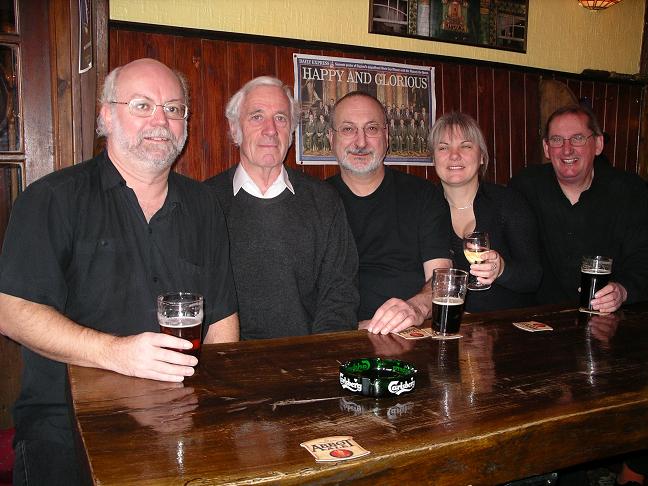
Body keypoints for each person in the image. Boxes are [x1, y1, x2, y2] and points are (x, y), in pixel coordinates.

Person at [0, 58, 239, 485]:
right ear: (105, 115)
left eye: (173, 108)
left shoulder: (204, 206)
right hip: (66, 425)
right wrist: (117, 353)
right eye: (142, 105)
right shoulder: (52, 199)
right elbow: (12, 310)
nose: (161, 120)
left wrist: (215, 409)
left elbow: (222, 320)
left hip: (181, 419)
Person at [205, 76, 358, 340]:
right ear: (234, 129)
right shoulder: (204, 201)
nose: (270, 130)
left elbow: (340, 294)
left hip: (304, 362)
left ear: (291, 132)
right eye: (256, 117)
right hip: (229, 365)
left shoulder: (324, 200)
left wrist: (316, 361)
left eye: (280, 118)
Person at [326, 91, 451, 335]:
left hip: (412, 332)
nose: (360, 142)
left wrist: (416, 308)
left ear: (387, 135)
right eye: (349, 129)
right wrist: (348, 328)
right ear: (331, 138)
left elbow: (442, 275)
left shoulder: (423, 195)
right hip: (340, 336)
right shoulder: (314, 201)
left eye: (371, 129)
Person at [509, 104, 648, 312]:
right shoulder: (525, 186)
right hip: (542, 320)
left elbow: (643, 256)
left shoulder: (629, 190)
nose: (567, 149)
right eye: (557, 140)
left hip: (612, 318)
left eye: (578, 138)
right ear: (547, 148)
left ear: (598, 144)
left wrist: (622, 290)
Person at [428, 112, 542, 312]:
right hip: (448, 326)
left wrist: (502, 270)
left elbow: (533, 277)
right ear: (433, 158)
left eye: (465, 146)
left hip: (507, 327)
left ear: (481, 156)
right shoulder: (424, 207)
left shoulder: (508, 202)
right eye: (443, 147)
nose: (454, 155)